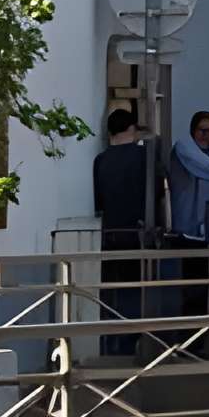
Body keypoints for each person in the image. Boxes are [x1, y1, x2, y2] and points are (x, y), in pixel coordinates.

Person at [89, 107, 160, 356]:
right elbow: (158, 191)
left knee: (112, 291)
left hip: (109, 233)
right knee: (137, 290)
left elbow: (98, 201)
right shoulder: (145, 156)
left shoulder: (100, 160)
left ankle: (113, 343)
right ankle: (134, 342)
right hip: (139, 232)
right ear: (132, 129)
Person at [168, 110, 209, 350]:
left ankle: (196, 341)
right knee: (195, 292)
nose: (208, 136)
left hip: (203, 236)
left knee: (207, 291)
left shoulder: (207, 157)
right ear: (193, 130)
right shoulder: (184, 147)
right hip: (186, 234)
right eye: (203, 130)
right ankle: (188, 343)